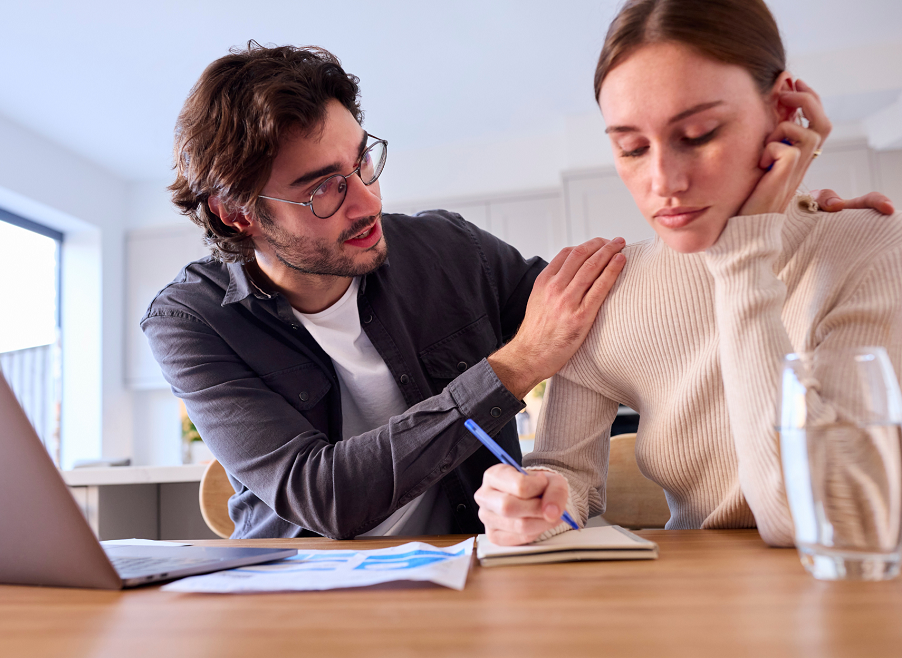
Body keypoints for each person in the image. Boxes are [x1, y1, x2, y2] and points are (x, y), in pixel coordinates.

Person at [142, 44, 629, 539]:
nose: (367, 201)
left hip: (471, 569)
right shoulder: (190, 321)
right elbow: (324, 496)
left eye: (362, 163)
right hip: (300, 593)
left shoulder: (451, 249)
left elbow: (602, 319)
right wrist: (519, 364)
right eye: (322, 189)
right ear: (238, 213)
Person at [475, 0, 902, 548]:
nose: (664, 181)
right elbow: (566, 478)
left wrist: (743, 258)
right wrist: (532, 503)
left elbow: (828, 520)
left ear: (782, 111)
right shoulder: (609, 291)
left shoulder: (869, 247)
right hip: (691, 608)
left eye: (699, 134)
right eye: (631, 147)